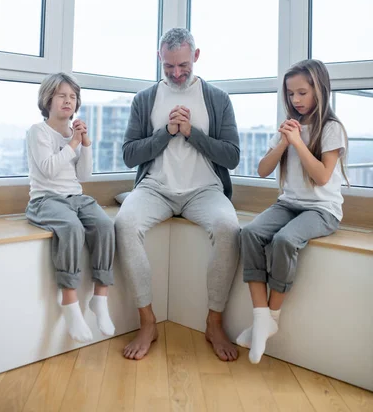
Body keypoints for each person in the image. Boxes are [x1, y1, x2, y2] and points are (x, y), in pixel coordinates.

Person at [115, 28, 240, 361]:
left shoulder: (217, 99)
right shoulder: (145, 99)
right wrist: (167, 133)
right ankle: (147, 322)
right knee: (124, 224)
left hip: (205, 190)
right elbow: (129, 154)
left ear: (196, 57)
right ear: (160, 58)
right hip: (155, 189)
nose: (176, 73)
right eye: (169, 66)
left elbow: (231, 156)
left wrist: (191, 132)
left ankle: (214, 323)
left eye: (183, 65)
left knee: (230, 229)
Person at [237, 59, 348, 364]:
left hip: (322, 210)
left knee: (284, 241)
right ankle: (261, 319)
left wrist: (298, 143)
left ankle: (272, 316)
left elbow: (323, 176)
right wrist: (283, 142)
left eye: (302, 93)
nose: (295, 100)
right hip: (289, 204)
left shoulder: (331, 128)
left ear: (319, 90)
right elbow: (262, 170)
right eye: (290, 94)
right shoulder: (289, 127)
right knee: (249, 233)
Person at [25, 73, 115, 343]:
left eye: (72, 96)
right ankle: (70, 302)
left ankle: (100, 298)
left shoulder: (72, 133)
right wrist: (73, 143)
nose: (68, 101)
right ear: (47, 99)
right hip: (45, 199)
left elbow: (84, 176)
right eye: (62, 95)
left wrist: (85, 144)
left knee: (105, 225)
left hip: (75, 197)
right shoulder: (38, 132)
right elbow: (49, 169)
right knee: (72, 227)